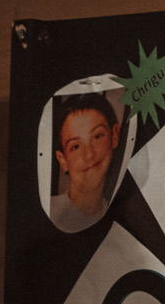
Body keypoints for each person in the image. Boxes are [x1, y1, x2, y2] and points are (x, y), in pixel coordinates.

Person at [51, 92, 124, 224]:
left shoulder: (118, 211)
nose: (89, 155)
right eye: (76, 146)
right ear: (63, 160)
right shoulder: (50, 211)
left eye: (97, 136)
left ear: (114, 136)